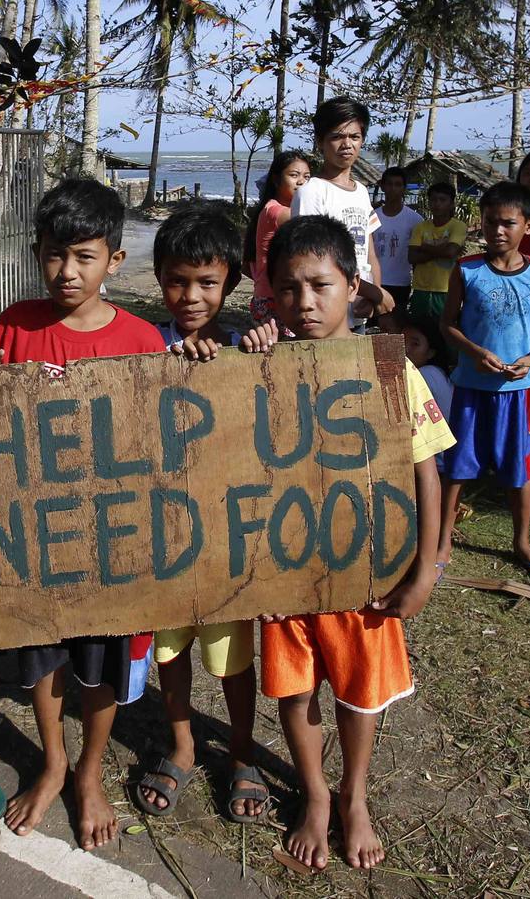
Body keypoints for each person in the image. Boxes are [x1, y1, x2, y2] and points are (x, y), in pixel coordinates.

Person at [0, 178, 166, 851]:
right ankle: (51, 760)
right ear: (35, 252)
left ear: (115, 259)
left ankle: (88, 772)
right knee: (40, 654)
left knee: (101, 664)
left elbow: (165, 439)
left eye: (83, 256)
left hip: (112, 541)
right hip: (36, 539)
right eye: (54, 255)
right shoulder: (13, 327)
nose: (67, 271)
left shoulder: (141, 340)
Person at [240, 214, 453, 870]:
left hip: (367, 575)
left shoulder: (387, 366)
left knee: (357, 691)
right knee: (294, 690)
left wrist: (424, 569)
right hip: (284, 570)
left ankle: (354, 796)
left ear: (353, 287)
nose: (303, 302)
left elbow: (426, 471)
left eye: (319, 285)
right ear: (268, 293)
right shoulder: (260, 366)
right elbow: (232, 473)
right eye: (287, 288)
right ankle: (314, 796)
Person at [129, 205, 269, 823]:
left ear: (231, 283)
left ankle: (241, 750)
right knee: (170, 651)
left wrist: (264, 351)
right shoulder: (140, 346)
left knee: (231, 654)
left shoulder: (245, 347)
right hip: (158, 532)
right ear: (160, 278)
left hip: (221, 537)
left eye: (207, 283)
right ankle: (184, 744)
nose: (191, 296)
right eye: (178, 281)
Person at [438, 182, 530, 580]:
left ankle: (522, 542)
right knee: (458, 466)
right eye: (490, 222)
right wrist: (477, 353)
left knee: (518, 469)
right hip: (473, 388)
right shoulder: (467, 269)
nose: (497, 231)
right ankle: (442, 541)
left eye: (508, 223)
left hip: (518, 392)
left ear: (528, 225)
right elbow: (447, 324)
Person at [290, 96, 396, 330]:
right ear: (320, 141)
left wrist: (373, 296)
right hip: (324, 314)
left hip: (359, 312)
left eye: (354, 137)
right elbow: (315, 260)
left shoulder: (360, 192)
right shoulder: (311, 193)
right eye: (337, 136)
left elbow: (370, 254)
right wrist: (375, 294)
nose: (347, 144)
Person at [244, 150, 311, 328]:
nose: (301, 181)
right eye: (294, 175)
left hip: (272, 294)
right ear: (276, 179)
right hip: (274, 298)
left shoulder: (273, 208)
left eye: (307, 176)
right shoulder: (277, 211)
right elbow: (313, 228)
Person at [407, 182, 466, 367]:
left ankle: (448, 369)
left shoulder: (458, 226)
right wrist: (440, 249)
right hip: (421, 289)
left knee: (447, 333)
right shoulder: (421, 227)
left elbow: (450, 252)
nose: (437, 204)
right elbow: (412, 257)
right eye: (433, 200)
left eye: (442, 200)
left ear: (451, 203)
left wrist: (425, 248)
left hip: (446, 290)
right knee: (420, 332)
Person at [404, 323, 453, 474]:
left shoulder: (423, 375)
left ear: (431, 352)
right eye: (402, 341)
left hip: (433, 463)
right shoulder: (437, 373)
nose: (405, 349)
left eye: (415, 344)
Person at [373, 167, 423, 313]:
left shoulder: (415, 220)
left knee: (396, 329)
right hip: (375, 282)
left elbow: (417, 254)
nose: (393, 188)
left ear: (404, 188)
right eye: (389, 184)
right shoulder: (372, 216)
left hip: (401, 283)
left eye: (398, 184)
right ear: (382, 186)